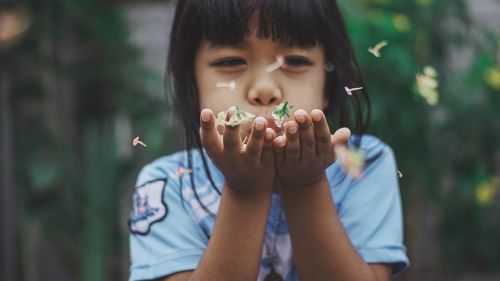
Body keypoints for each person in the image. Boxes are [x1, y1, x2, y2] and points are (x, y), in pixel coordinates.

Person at [128, 0, 410, 280]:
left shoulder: (363, 163)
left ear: (329, 83)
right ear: (193, 85)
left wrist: (306, 183)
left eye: (295, 62)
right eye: (230, 62)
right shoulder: (168, 186)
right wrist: (245, 189)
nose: (264, 90)